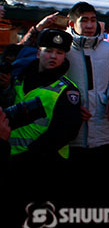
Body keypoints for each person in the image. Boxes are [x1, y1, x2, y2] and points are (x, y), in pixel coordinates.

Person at [7, 29, 82, 211]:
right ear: (38, 53)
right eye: (48, 51)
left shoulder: (67, 89)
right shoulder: (17, 78)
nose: (53, 56)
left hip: (45, 164)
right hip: (10, 158)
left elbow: (66, 131)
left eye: (60, 52)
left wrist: (31, 154)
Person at [65, 2, 109, 205]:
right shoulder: (63, 49)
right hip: (72, 134)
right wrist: (70, 108)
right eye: (84, 20)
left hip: (103, 130)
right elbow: (55, 84)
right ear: (72, 24)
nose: (90, 25)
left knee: (101, 192)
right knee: (74, 194)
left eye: (93, 20)